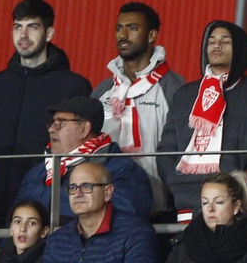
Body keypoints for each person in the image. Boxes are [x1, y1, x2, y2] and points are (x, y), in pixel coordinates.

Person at [156, 20, 247, 217]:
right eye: (211, 41)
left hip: (237, 207)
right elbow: (166, 150)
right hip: (186, 204)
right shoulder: (185, 95)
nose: (216, 45)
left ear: (239, 50)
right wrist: (175, 181)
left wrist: (246, 180)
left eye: (225, 41)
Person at [0, 1, 95, 223]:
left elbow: (84, 150)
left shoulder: (74, 87)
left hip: (45, 205)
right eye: (18, 26)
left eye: (32, 27)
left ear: (49, 33)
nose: (23, 34)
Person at [91, 2, 186, 216]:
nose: (123, 35)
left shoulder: (174, 88)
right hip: (107, 210)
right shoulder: (103, 91)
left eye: (132, 28)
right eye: (118, 28)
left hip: (161, 209)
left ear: (152, 35)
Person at [12, 95, 154, 225]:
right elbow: (13, 220)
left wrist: (53, 198)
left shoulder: (121, 169)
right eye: (52, 122)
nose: (51, 129)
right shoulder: (37, 172)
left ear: (84, 129)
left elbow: (124, 217)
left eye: (60, 122)